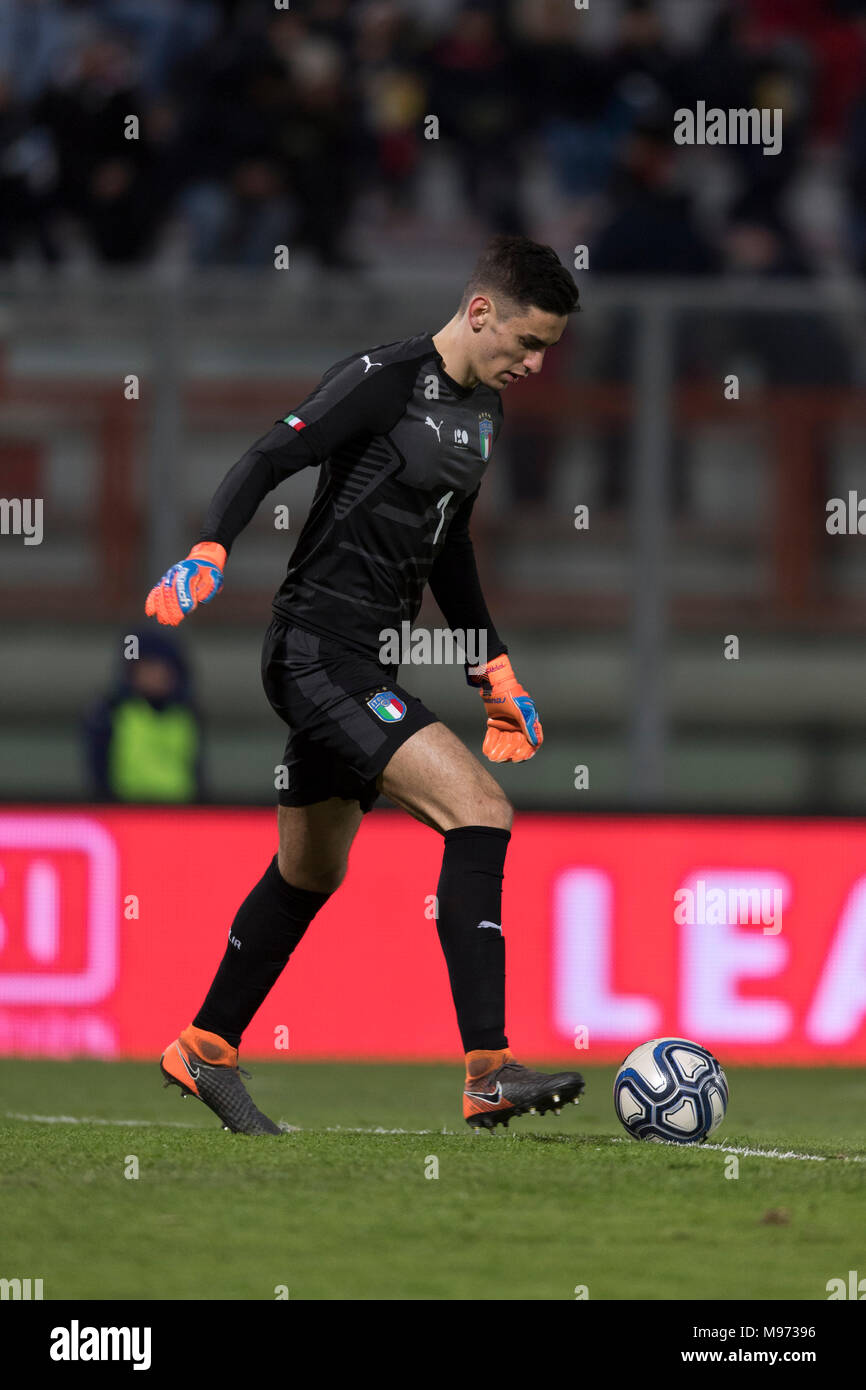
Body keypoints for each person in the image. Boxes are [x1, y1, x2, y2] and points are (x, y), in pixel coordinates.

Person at [145, 234, 585, 1135]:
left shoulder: (485, 415)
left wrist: (490, 665)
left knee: (310, 871)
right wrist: (210, 546)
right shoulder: (382, 380)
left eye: (546, 349)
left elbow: (448, 546)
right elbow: (271, 457)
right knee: (481, 811)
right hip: (317, 649)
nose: (534, 363)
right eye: (526, 342)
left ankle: (205, 1048)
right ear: (479, 313)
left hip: (366, 660)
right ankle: (489, 1070)